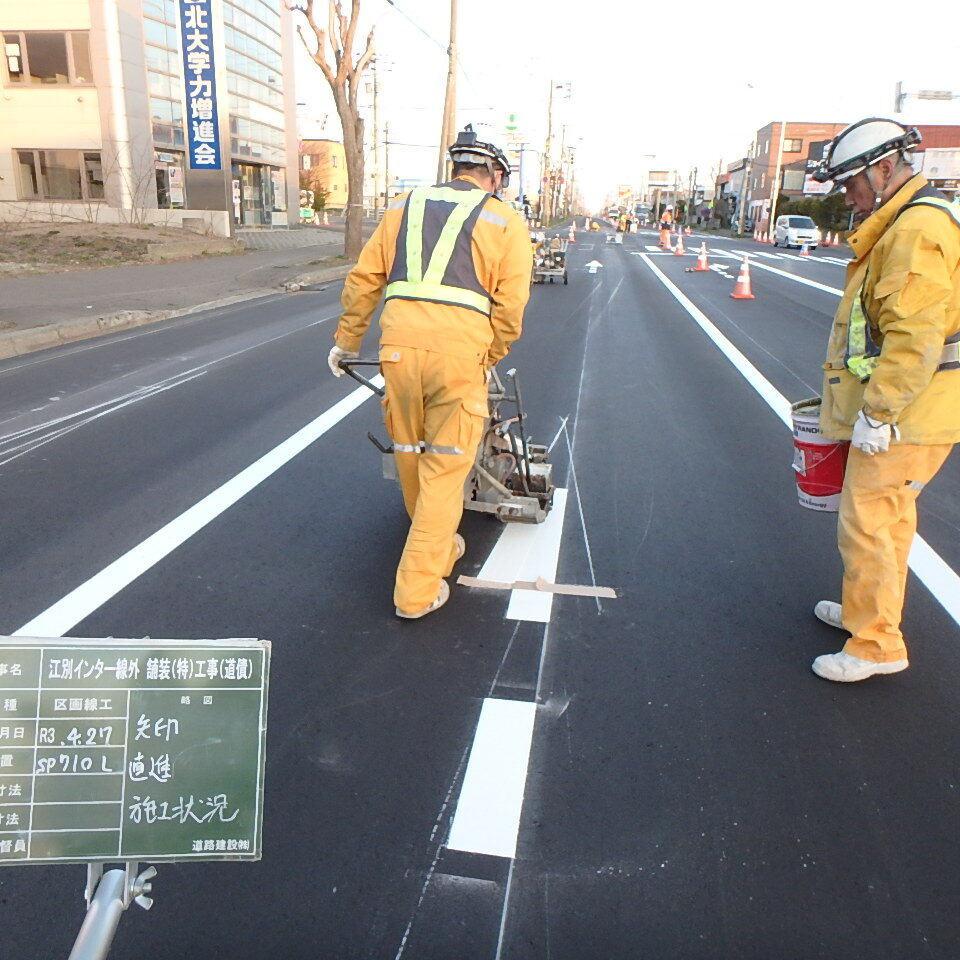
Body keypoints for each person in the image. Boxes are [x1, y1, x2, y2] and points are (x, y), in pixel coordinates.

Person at [327, 124, 532, 619]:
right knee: (445, 468)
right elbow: (511, 307)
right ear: (494, 176)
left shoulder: (403, 206)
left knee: (410, 452)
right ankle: (416, 592)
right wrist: (489, 354)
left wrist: (346, 341)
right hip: (459, 354)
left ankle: (438, 548)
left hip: (397, 348)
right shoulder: (504, 221)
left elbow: (365, 278)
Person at [809, 118, 960, 681]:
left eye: (851, 183)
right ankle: (864, 614)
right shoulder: (912, 221)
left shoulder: (914, 231)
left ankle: (875, 646)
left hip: (909, 414)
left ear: (884, 167)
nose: (847, 197)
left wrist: (878, 413)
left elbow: (914, 336)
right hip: (923, 408)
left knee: (868, 523)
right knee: (889, 522)